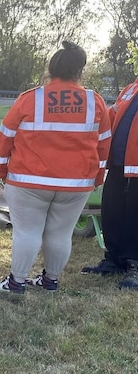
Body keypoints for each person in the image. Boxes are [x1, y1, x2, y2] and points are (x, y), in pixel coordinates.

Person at [0, 40, 111, 294]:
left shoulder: (30, 99)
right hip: (76, 185)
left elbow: (5, 138)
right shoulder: (95, 102)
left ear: (51, 69)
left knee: (27, 232)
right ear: (80, 70)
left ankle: (16, 283)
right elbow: (103, 145)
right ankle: (50, 281)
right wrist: (97, 177)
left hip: (29, 181)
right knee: (60, 234)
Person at [80, 76, 138, 289]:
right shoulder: (131, 88)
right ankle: (114, 259)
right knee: (112, 210)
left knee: (135, 216)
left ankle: (135, 264)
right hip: (119, 163)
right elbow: (112, 115)